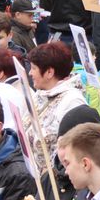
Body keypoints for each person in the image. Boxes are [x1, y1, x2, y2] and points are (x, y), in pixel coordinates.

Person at [22, 42, 87, 172]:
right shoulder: (39, 94)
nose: (30, 73)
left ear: (49, 72)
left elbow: (74, 150)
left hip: (55, 182)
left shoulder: (72, 101)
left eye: (34, 68)